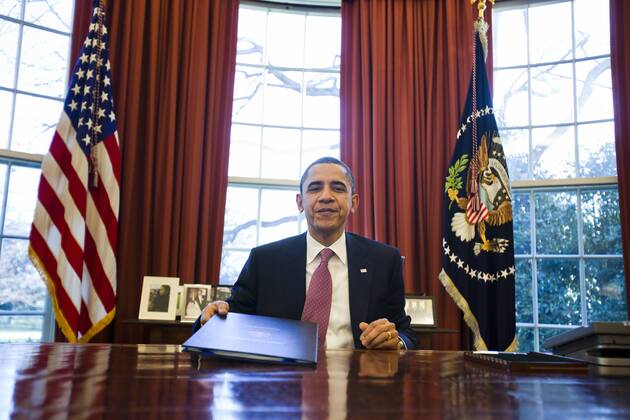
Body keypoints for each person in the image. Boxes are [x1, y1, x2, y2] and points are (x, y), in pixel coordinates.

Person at [194, 157, 416, 350]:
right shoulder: (265, 261)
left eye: (338, 188)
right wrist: (210, 318)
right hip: (281, 383)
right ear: (300, 202)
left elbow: (405, 332)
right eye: (315, 188)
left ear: (353, 202)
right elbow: (229, 318)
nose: (326, 196)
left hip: (360, 386)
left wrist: (394, 341)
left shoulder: (384, 261)